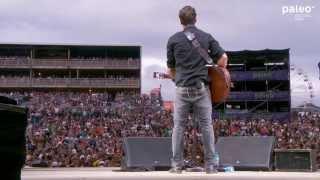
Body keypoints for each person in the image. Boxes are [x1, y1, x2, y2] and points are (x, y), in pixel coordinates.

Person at [166, 5, 228, 174]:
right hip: (201, 88)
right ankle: (210, 165)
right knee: (206, 126)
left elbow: (171, 69)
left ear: (181, 21)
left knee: (178, 127)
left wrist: (177, 79)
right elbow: (223, 58)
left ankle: (177, 165)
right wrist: (217, 70)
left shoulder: (173, 40)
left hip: (182, 88)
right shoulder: (206, 37)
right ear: (196, 19)